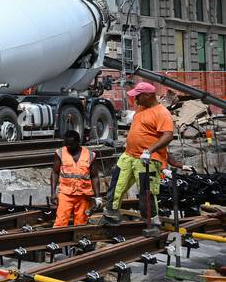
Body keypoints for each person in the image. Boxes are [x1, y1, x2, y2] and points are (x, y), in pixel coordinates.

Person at [105, 81, 173, 225]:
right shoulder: (142, 108)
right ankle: (111, 212)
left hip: (146, 159)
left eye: (138, 96)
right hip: (129, 155)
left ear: (147, 95)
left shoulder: (162, 113)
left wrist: (150, 150)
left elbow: (167, 135)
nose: (135, 99)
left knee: (146, 192)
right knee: (117, 184)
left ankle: (151, 222)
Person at [50, 128, 98, 227]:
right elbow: (55, 172)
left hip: (83, 196)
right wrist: (53, 193)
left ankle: (79, 237)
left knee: (81, 224)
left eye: (71, 144)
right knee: (60, 223)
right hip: (66, 194)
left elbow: (94, 176)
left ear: (78, 142)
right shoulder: (60, 153)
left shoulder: (90, 155)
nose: (68, 146)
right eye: (66, 144)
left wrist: (97, 197)